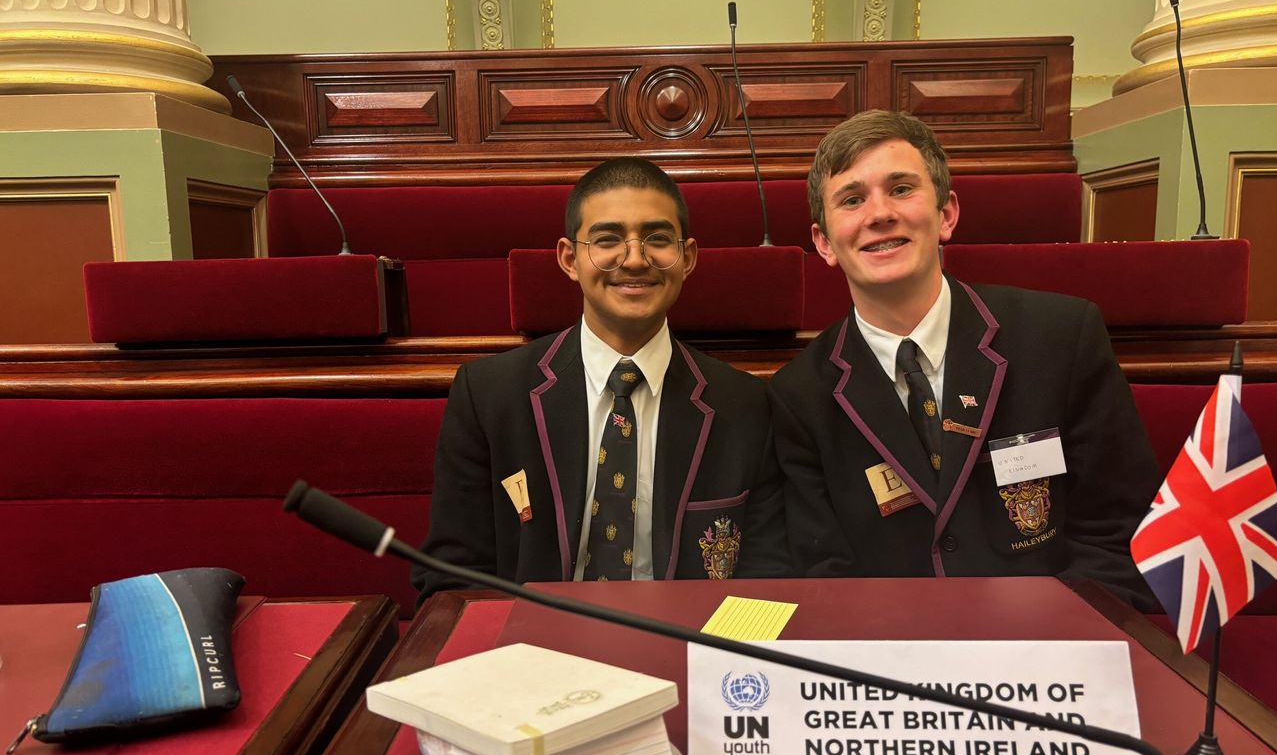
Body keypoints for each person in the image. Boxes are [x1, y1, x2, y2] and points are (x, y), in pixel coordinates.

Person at [768, 110, 1158, 607]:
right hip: (890, 643)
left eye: (901, 189)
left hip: (1051, 637)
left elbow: (1120, 532)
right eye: (852, 199)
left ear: (947, 214)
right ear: (824, 242)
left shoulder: (1061, 337)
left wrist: (1045, 640)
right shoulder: (800, 395)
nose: (879, 213)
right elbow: (824, 572)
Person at [414, 157, 791, 603]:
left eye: (657, 239)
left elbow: (767, 580)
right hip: (532, 639)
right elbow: (454, 578)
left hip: (693, 638)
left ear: (687, 258)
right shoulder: (489, 395)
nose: (634, 260)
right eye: (608, 239)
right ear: (570, 259)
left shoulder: (744, 404)